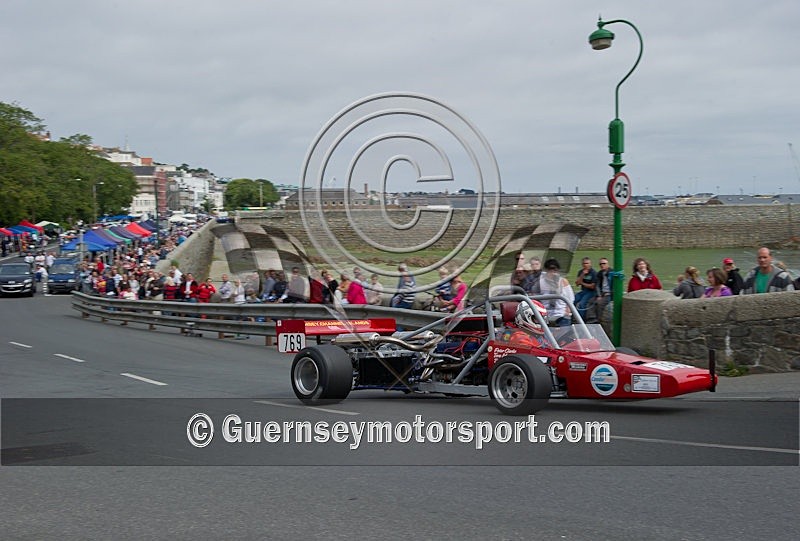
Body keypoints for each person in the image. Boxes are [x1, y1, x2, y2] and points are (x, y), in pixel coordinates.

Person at [539, 258, 574, 326]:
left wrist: (567, 311)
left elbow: (570, 298)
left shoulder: (563, 281)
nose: (553, 273)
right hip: (546, 316)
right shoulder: (541, 282)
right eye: (550, 270)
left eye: (555, 270)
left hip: (561, 315)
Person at [593, 257, 613, 324]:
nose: (602, 265)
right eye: (600, 264)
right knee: (590, 301)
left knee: (599, 304)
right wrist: (599, 295)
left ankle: (599, 322)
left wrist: (609, 293)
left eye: (604, 263)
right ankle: (591, 320)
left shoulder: (612, 273)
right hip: (602, 293)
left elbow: (615, 287)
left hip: (610, 294)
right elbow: (597, 285)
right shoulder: (600, 273)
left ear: (608, 264)